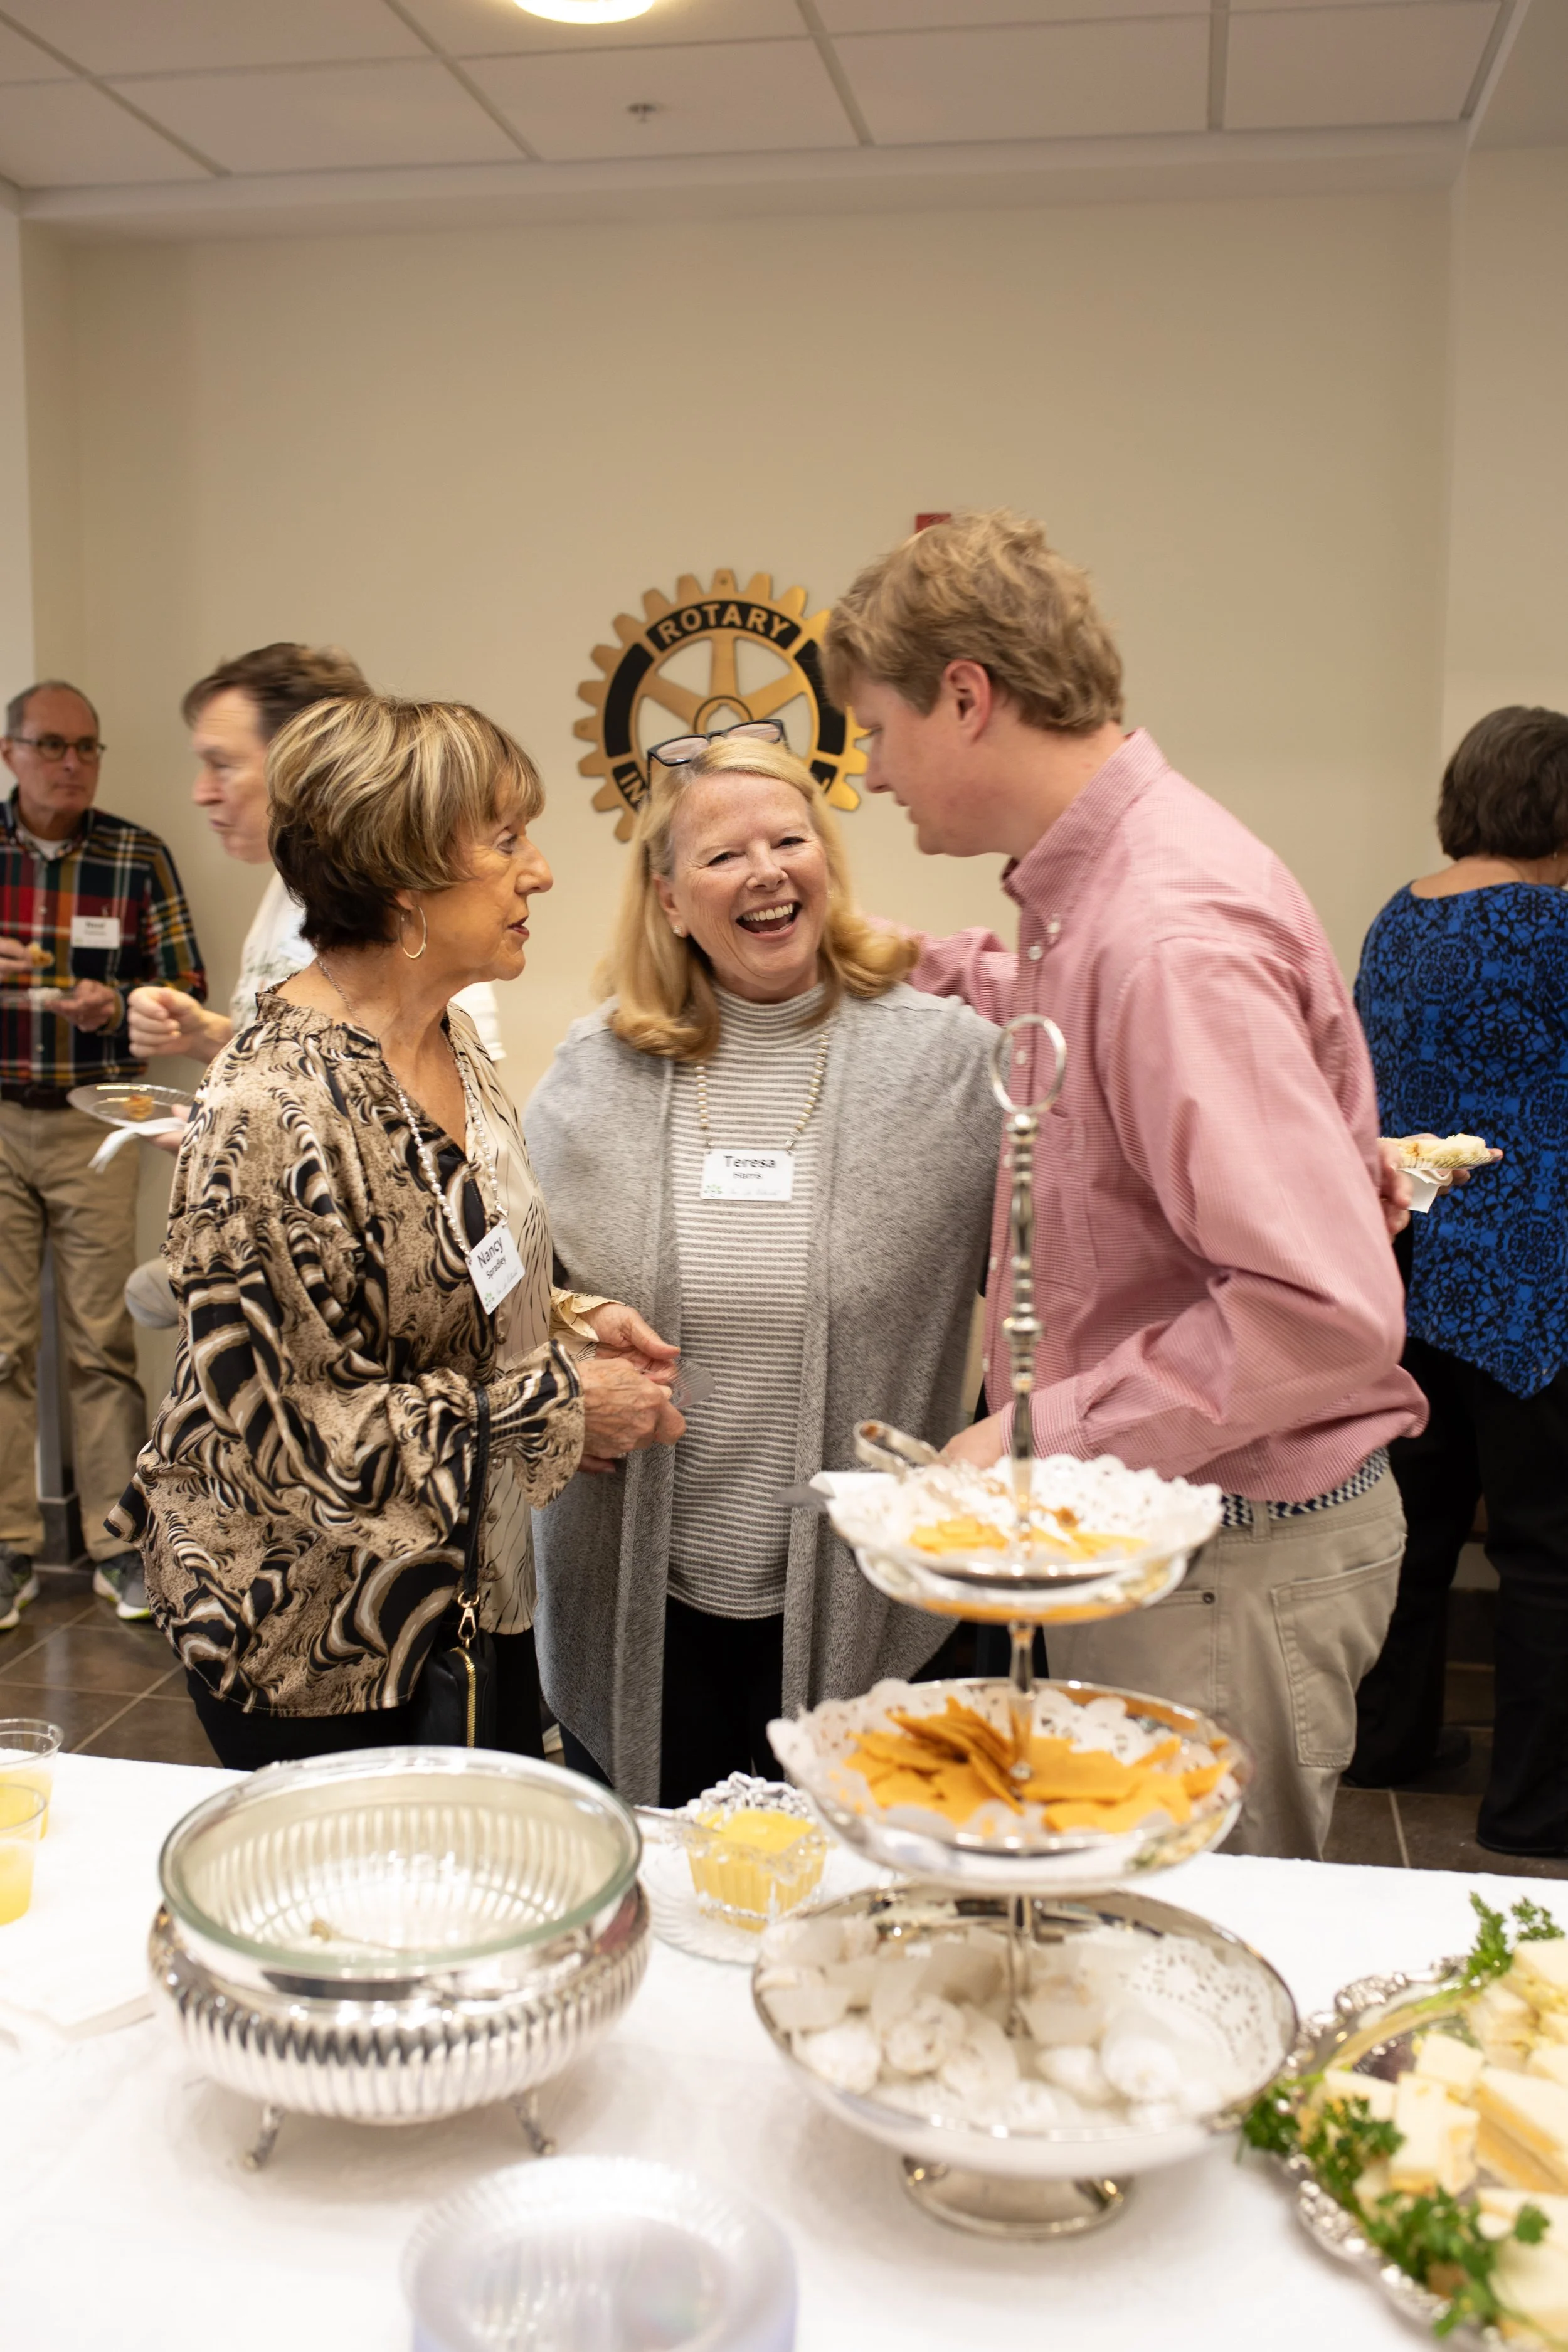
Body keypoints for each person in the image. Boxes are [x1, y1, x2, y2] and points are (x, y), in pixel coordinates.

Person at [823, 509, 1425, 1861]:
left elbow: (1321, 1312)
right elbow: (1077, 1038)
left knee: (1183, 1938)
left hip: (1232, 1549)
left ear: (964, 699)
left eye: (873, 732)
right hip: (1193, 1531)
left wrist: (1039, 1431)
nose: (864, 778)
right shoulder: (1097, 896)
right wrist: (896, 955)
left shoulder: (1164, 933)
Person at [109, 694, 682, 1769]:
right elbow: (292, 1438)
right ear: (405, 875)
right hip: (318, 1639)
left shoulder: (446, 1033)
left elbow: (454, 1260)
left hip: (466, 1589)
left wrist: (569, 1316)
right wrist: (562, 1403)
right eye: (507, 839)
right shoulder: (272, 1109)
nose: (542, 870)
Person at [526, 725, 1000, 1808]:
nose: (767, 871)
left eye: (790, 839)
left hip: (874, 1596)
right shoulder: (596, 1067)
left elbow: (1061, 1286)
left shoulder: (952, 1063)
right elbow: (515, 1289)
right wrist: (565, 1347)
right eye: (723, 855)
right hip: (644, 1608)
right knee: (678, 1921)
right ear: (668, 897)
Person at [1347, 706, 1568, 1857]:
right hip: (1535, 1283)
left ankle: (1387, 1740)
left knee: (1415, 1530)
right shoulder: (1559, 928)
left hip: (1408, 1261)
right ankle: (1534, 1805)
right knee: (1544, 1548)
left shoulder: (1399, 919)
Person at [0, 680, 206, 1633]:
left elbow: (188, 984)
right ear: (11, 754)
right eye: (51, 746)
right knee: (0, 1346)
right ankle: (8, 1550)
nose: (71, 764)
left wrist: (116, 1002)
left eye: (87, 747)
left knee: (100, 1337)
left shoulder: (134, 853)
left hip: (97, 1119)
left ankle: (121, 1543)